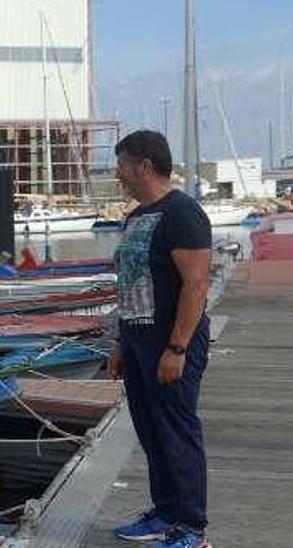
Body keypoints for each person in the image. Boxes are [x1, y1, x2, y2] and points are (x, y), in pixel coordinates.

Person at [107, 130, 213, 548]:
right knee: (151, 431)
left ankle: (192, 528)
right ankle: (165, 512)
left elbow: (196, 285)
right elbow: (129, 283)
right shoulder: (136, 217)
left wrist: (178, 347)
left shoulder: (182, 213)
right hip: (136, 340)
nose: (119, 176)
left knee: (177, 431)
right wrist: (120, 341)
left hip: (171, 342)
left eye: (122, 166)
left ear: (144, 167)